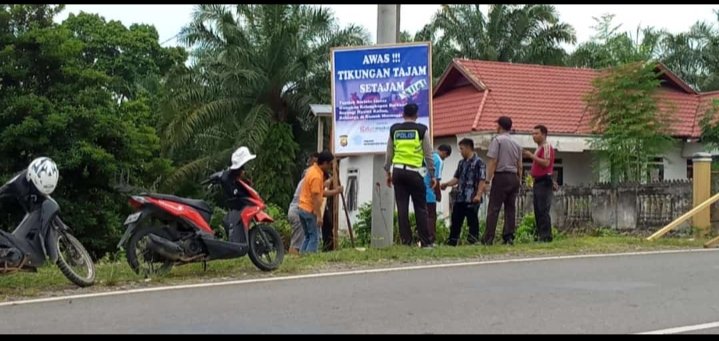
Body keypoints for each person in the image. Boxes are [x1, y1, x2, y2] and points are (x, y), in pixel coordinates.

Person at [384, 103, 435, 248]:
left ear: (403, 114)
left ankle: (406, 242)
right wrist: (432, 175)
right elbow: (428, 154)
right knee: (420, 207)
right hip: (414, 172)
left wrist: (388, 171)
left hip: (398, 172)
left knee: (402, 207)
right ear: (416, 115)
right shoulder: (421, 130)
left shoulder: (394, 129)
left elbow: (389, 153)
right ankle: (426, 242)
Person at [482, 116, 522, 245]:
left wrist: (488, 180)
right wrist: (519, 179)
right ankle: (509, 236)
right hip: (513, 176)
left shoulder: (497, 140)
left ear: (500, 126)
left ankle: (488, 238)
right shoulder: (516, 143)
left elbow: (493, 160)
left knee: (494, 208)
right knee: (510, 208)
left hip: (501, 176)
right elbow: (519, 164)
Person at [440, 139, 486, 246]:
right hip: (460, 196)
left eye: (462, 149)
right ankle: (452, 241)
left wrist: (479, 195)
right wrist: (446, 184)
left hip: (472, 197)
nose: (460, 152)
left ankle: (473, 240)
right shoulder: (461, 163)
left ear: (468, 148)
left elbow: (482, 179)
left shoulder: (479, 162)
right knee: (456, 220)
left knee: (472, 221)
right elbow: (456, 178)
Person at [298, 151, 339, 253]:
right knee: (314, 238)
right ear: (324, 163)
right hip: (309, 210)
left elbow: (321, 193)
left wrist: (336, 191)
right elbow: (316, 198)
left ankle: (301, 259)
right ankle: (309, 259)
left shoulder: (312, 170)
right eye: (329, 164)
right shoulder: (316, 176)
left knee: (308, 236)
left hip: (302, 208)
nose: (330, 167)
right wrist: (319, 216)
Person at [524, 124, 556, 242]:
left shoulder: (546, 147)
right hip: (538, 180)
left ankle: (546, 236)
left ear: (543, 134)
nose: (534, 136)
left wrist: (532, 156)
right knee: (537, 209)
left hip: (544, 180)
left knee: (543, 209)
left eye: (536, 133)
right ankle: (541, 234)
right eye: (533, 134)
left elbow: (546, 163)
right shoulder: (538, 148)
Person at [287, 153, 319, 255]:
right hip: (298, 210)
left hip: (296, 210)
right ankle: (296, 261)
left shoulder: (306, 177)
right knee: (297, 242)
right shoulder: (310, 178)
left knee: (304, 238)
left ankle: (301, 259)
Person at [426, 144, 452, 244]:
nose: (445, 158)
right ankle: (430, 240)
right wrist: (438, 195)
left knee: (422, 216)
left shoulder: (427, 156)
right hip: (429, 193)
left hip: (419, 191)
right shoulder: (439, 161)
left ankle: (422, 239)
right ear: (445, 153)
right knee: (431, 216)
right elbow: (435, 181)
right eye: (446, 156)